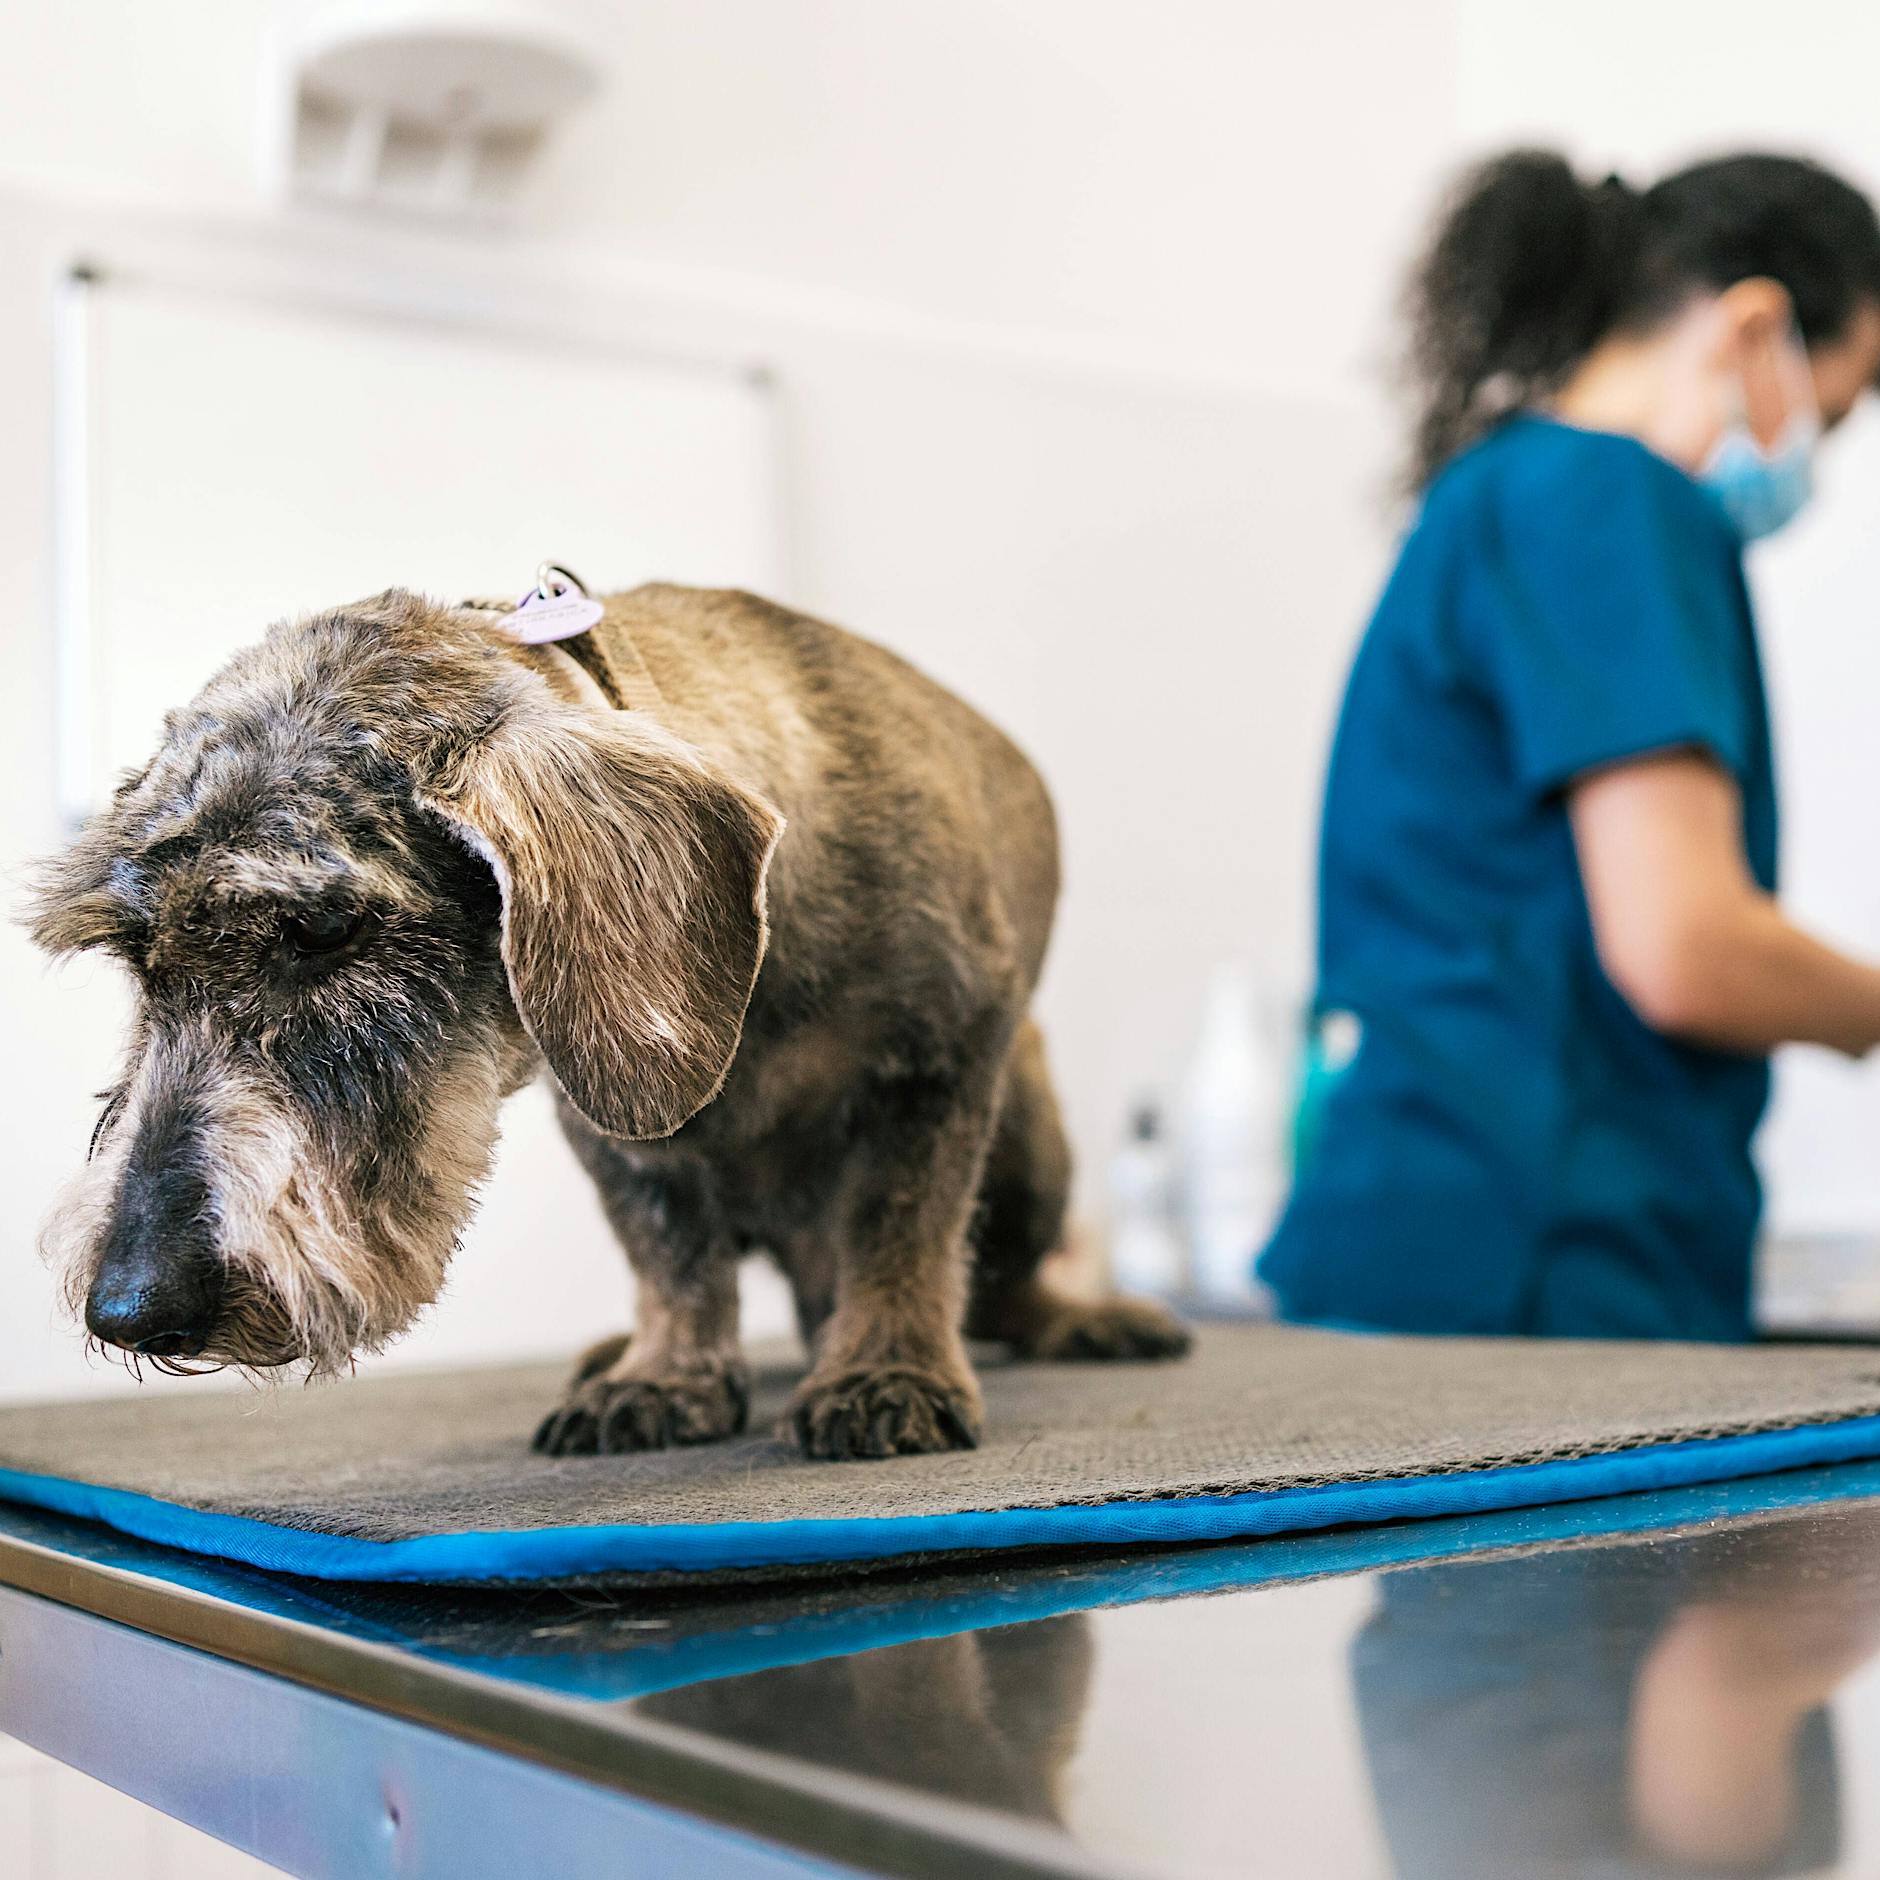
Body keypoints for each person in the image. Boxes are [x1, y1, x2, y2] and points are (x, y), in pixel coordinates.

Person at [1259, 150, 1880, 1340]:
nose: (1812, 458)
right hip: (1544, 1264)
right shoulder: (1608, 499)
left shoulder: (1504, 489)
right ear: (1753, 326)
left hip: (1434, 1240)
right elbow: (1683, 948)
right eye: (1834, 413)